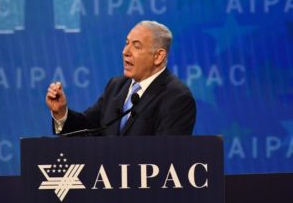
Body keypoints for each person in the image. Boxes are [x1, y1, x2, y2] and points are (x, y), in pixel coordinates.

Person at [46, 20, 196, 136]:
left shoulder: (177, 97)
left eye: (136, 46)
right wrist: (61, 112)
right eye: (126, 43)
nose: (125, 52)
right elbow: (88, 127)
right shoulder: (116, 86)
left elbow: (170, 153)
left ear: (158, 56)